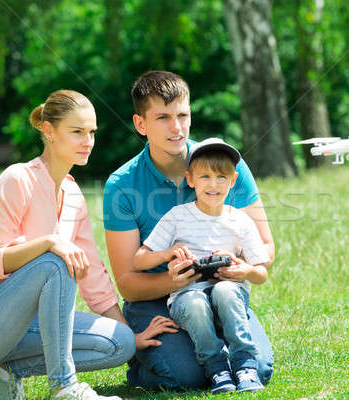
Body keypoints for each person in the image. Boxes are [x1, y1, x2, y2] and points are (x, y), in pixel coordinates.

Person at [0, 89, 177, 400]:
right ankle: (65, 387)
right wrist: (50, 243)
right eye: (77, 132)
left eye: (92, 132)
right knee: (56, 259)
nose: (88, 141)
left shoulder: (73, 195)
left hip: (20, 334)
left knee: (120, 341)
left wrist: (132, 336)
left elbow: (93, 275)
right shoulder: (17, 179)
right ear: (49, 132)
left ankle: (5, 369)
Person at [103, 71, 275, 390]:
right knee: (188, 377)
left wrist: (239, 268)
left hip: (223, 292)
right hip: (156, 300)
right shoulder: (121, 185)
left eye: (182, 115)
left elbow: (265, 247)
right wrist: (176, 279)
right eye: (163, 117)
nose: (177, 127)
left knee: (259, 370)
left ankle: (219, 348)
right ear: (141, 124)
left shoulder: (224, 164)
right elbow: (127, 283)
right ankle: (143, 367)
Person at [133, 138, 271, 394]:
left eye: (221, 177)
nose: (213, 184)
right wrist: (168, 254)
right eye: (205, 176)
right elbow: (140, 259)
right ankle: (217, 368)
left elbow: (261, 273)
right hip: (187, 296)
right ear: (190, 179)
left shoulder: (240, 220)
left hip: (229, 295)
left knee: (225, 291)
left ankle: (245, 365)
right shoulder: (177, 216)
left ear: (233, 180)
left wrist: (244, 271)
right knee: (196, 303)